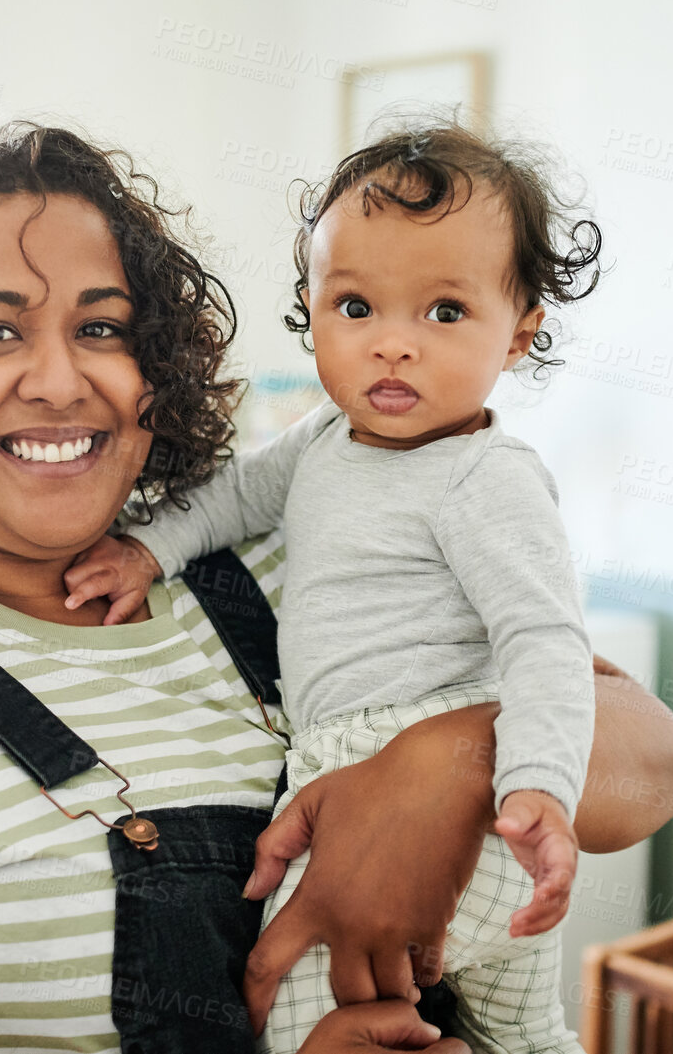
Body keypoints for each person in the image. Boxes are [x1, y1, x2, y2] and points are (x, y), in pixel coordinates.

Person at [0, 121, 673, 1054]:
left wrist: (437, 768)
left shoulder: (270, 570)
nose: (60, 379)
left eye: (104, 327)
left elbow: (656, 761)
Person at [64, 121, 606, 1052]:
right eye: (356, 308)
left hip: (437, 802)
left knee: (297, 1015)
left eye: (442, 313)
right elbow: (233, 497)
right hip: (380, 780)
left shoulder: (485, 477)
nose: (392, 346)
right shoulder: (322, 439)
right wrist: (149, 549)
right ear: (311, 310)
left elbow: (543, 643)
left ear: (518, 335)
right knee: (525, 1034)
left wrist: (538, 789)